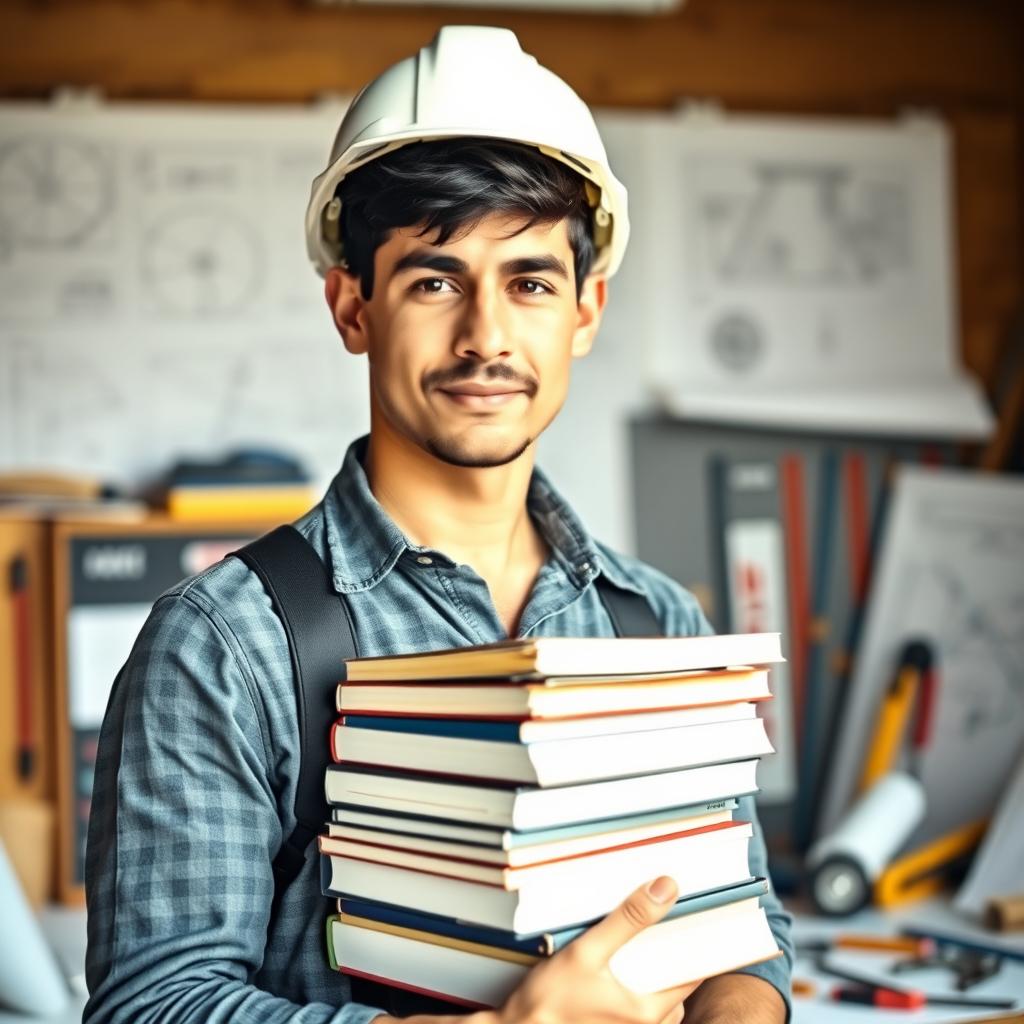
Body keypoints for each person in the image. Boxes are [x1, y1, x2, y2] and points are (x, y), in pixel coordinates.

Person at [84, 25, 793, 1024]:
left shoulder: (658, 624)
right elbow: (151, 1006)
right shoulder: (226, 645)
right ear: (351, 306)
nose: (486, 336)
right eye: (432, 278)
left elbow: (745, 927)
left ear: (585, 310)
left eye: (530, 281)